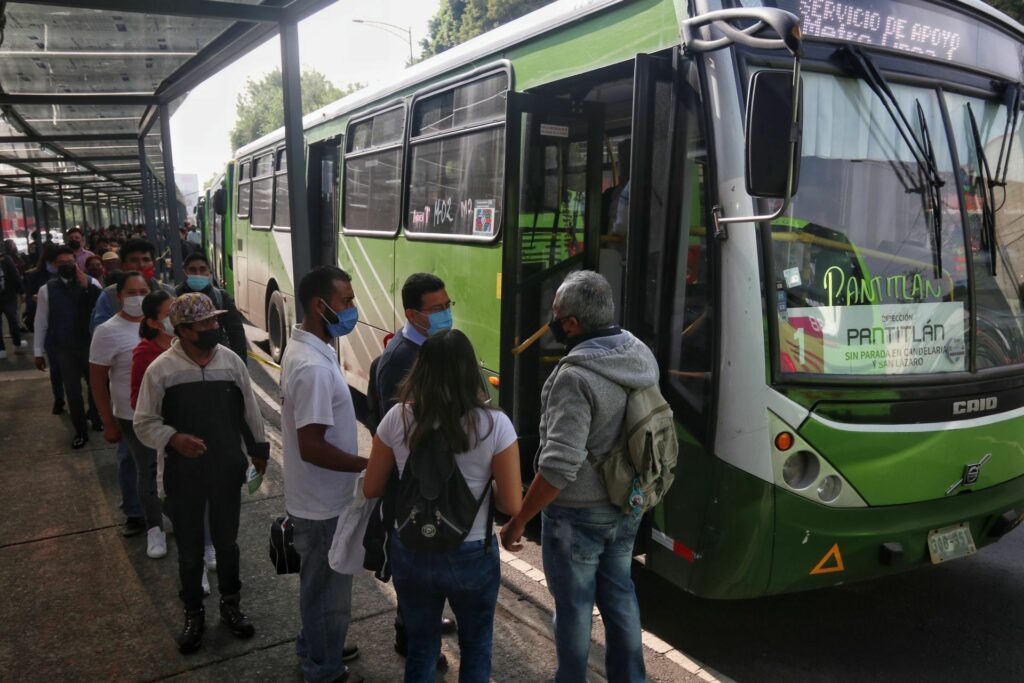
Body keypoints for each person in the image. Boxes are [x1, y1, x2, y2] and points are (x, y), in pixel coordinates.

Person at [500, 270, 658, 683]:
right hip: (628, 503)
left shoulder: (574, 377)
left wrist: (519, 520)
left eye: (556, 315)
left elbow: (558, 466)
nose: (552, 322)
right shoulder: (639, 354)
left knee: (573, 607)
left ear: (572, 323)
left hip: (577, 516)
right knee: (620, 596)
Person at [364, 329, 522, 682]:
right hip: (471, 553)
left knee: (421, 648)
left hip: (411, 549)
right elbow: (512, 503)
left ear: (421, 370)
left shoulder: (397, 418)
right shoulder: (494, 425)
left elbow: (372, 487)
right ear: (470, 371)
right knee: (476, 646)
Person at [134, 292, 269, 654]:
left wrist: (259, 450)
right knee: (191, 552)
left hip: (226, 469)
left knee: (227, 544)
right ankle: (193, 613)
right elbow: (143, 423)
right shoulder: (161, 369)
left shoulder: (230, 362)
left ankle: (231, 606)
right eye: (206, 323)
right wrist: (173, 438)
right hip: (183, 475)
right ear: (183, 330)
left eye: (214, 320)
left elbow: (250, 409)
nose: (214, 327)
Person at [280, 266, 366, 683]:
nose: (352, 308)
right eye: (346, 300)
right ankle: (325, 669)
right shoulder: (311, 366)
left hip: (318, 497)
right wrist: (369, 466)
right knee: (328, 595)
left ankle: (317, 644)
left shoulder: (313, 348)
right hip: (321, 504)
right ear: (320, 305)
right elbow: (311, 446)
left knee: (319, 588)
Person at [371, 273, 458, 656]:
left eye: (447, 306)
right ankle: (409, 635)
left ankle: (421, 622)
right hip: (410, 488)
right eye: (436, 309)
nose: (444, 314)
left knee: (431, 566)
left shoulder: (435, 346)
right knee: (415, 567)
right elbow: (399, 434)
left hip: (433, 482)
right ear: (413, 313)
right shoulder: (401, 358)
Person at [89, 272, 150, 542]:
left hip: (160, 414)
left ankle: (159, 515)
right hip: (127, 415)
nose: (138, 298)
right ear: (119, 297)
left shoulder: (160, 325)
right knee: (131, 463)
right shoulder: (107, 331)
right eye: (132, 293)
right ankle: (135, 514)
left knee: (155, 468)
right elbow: (98, 381)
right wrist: (108, 422)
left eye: (143, 292)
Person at [33, 247, 103, 448]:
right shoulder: (47, 290)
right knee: (73, 392)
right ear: (54, 266)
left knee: (96, 387)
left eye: (71, 262)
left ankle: (96, 418)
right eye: (62, 263)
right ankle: (80, 430)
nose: (68, 266)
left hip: (91, 346)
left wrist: (87, 288)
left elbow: (102, 311)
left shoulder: (91, 283)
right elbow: (41, 323)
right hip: (65, 348)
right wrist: (38, 352)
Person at [91, 238, 175, 332]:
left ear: (153, 264)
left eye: (146, 259)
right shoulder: (109, 296)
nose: (141, 265)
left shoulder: (168, 293)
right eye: (134, 260)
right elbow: (100, 333)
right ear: (122, 265)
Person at [177, 252, 247, 362]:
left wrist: (240, 363)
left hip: (215, 360)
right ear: (184, 273)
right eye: (192, 270)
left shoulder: (221, 297)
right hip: (181, 360)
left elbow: (236, 331)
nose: (198, 274)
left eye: (202, 269)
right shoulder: (174, 297)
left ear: (209, 272)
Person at [23, 243, 64, 413]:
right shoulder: (35, 276)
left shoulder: (74, 274)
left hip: (69, 327)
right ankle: (59, 398)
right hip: (50, 329)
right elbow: (31, 302)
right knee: (55, 367)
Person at [0, 245, 26, 360]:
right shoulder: (6, 259)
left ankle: (3, 348)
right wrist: (21, 291)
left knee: (11, 320)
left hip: (8, 295)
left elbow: (15, 276)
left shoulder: (6, 259)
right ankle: (15, 344)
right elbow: (15, 276)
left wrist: (20, 291)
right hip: (8, 296)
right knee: (13, 319)